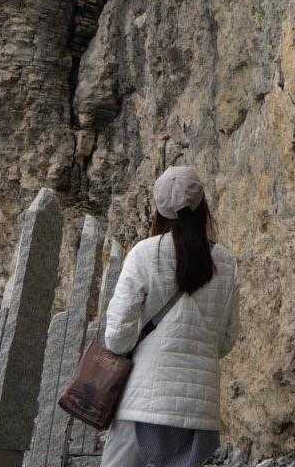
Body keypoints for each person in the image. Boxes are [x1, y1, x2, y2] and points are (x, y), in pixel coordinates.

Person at [99, 165, 241, 467]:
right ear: (202, 206)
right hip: (200, 412)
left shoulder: (144, 254)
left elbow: (117, 337)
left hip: (142, 405)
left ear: (159, 210)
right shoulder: (226, 262)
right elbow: (226, 340)